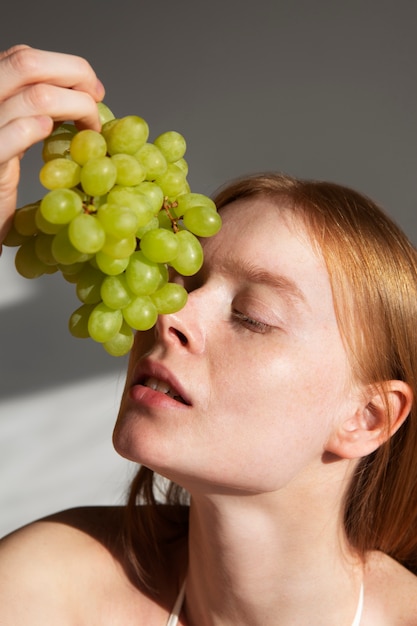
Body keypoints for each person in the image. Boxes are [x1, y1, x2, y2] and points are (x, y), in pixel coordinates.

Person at [0, 44, 417, 625]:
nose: (170, 317)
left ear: (366, 418)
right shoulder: (44, 587)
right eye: (178, 283)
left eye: (251, 315)